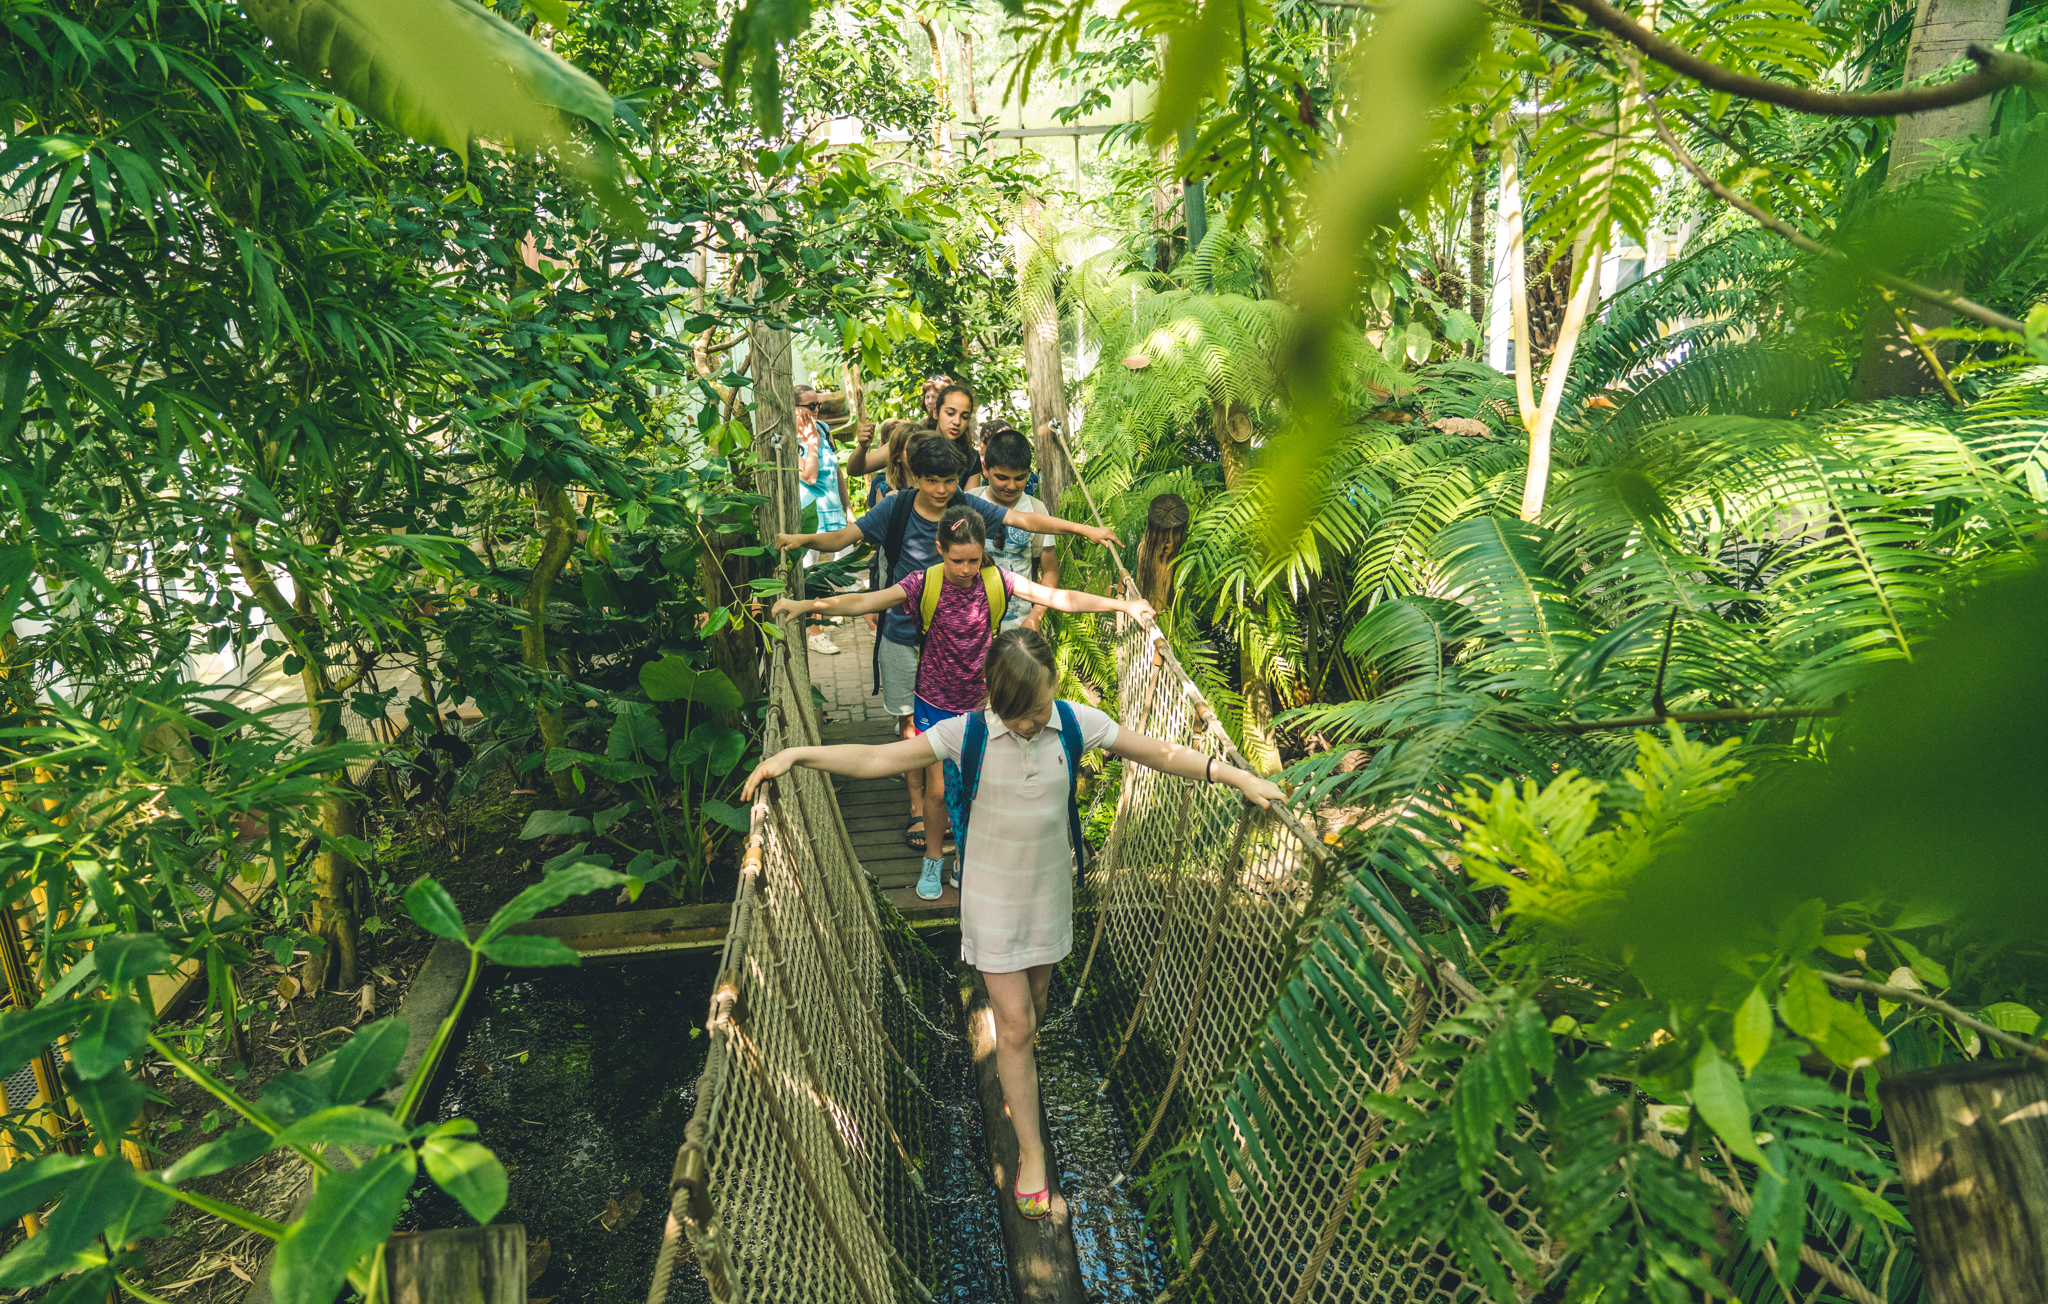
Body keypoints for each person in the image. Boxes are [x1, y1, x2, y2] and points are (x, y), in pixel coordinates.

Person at [741, 627, 1285, 1221]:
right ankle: (1032, 1156)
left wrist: (1238, 777)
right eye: (1021, 714)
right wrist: (796, 755)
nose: (1032, 723)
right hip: (992, 901)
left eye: (1041, 707)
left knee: (1037, 1007)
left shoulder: (1074, 723)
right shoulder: (966, 733)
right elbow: (877, 758)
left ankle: (1014, 1076)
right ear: (996, 701)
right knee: (1018, 1024)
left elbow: (1158, 751)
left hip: (1049, 894)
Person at [775, 436, 1120, 859]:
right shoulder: (912, 548)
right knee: (919, 750)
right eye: (932, 481)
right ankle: (924, 824)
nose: (941, 490)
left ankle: (969, 852)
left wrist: (1116, 591)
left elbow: (1052, 577)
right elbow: (862, 592)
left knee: (975, 778)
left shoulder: (983, 553)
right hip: (918, 656)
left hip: (976, 694)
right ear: (941, 550)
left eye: (950, 481)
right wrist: (806, 594)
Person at [969, 424, 1058, 631]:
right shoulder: (970, 503)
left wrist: (1036, 615)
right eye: (1002, 477)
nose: (1011, 486)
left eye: (1020, 478)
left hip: (1019, 629)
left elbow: (1050, 570)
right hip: (970, 628)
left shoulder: (1037, 510)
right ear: (985, 469)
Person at [795, 404, 851, 655]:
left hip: (835, 513)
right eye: (809, 405)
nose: (815, 409)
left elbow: (837, 470)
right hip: (809, 518)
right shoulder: (788, 437)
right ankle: (816, 634)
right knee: (809, 578)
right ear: (793, 407)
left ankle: (875, 627)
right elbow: (810, 476)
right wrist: (811, 443)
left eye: (817, 404)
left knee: (850, 574)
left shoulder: (823, 428)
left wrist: (848, 506)